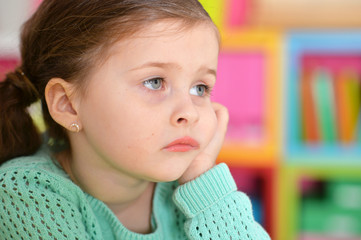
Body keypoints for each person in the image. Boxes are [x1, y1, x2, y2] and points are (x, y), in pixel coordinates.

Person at [0, 0, 271, 239]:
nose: (189, 112)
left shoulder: (190, 190)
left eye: (200, 88)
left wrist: (202, 180)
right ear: (68, 104)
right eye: (154, 82)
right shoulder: (26, 192)